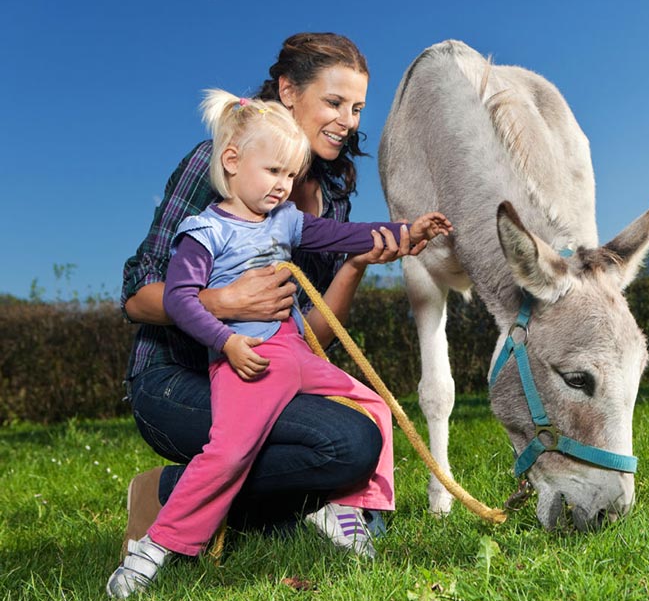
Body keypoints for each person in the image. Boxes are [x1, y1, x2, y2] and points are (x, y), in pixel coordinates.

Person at [107, 88, 452, 597]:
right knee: (228, 453)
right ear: (231, 161)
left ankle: (352, 510)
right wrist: (225, 343)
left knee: (374, 406)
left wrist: (405, 230)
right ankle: (155, 548)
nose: (282, 186)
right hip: (248, 359)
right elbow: (181, 301)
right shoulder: (202, 232)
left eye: (290, 176)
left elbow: (345, 237)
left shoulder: (285, 221)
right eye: (273, 172)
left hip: (294, 350)